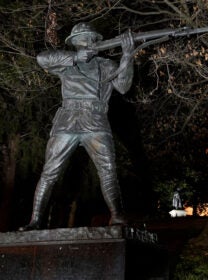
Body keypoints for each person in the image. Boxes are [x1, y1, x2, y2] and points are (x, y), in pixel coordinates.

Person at [20, 22, 134, 231]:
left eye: (90, 38)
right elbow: (42, 58)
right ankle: (35, 220)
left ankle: (117, 216)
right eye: (82, 38)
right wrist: (74, 58)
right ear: (74, 43)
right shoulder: (66, 62)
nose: (87, 41)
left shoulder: (106, 65)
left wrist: (127, 57)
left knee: (108, 170)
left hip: (95, 119)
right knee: (50, 172)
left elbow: (124, 87)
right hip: (67, 121)